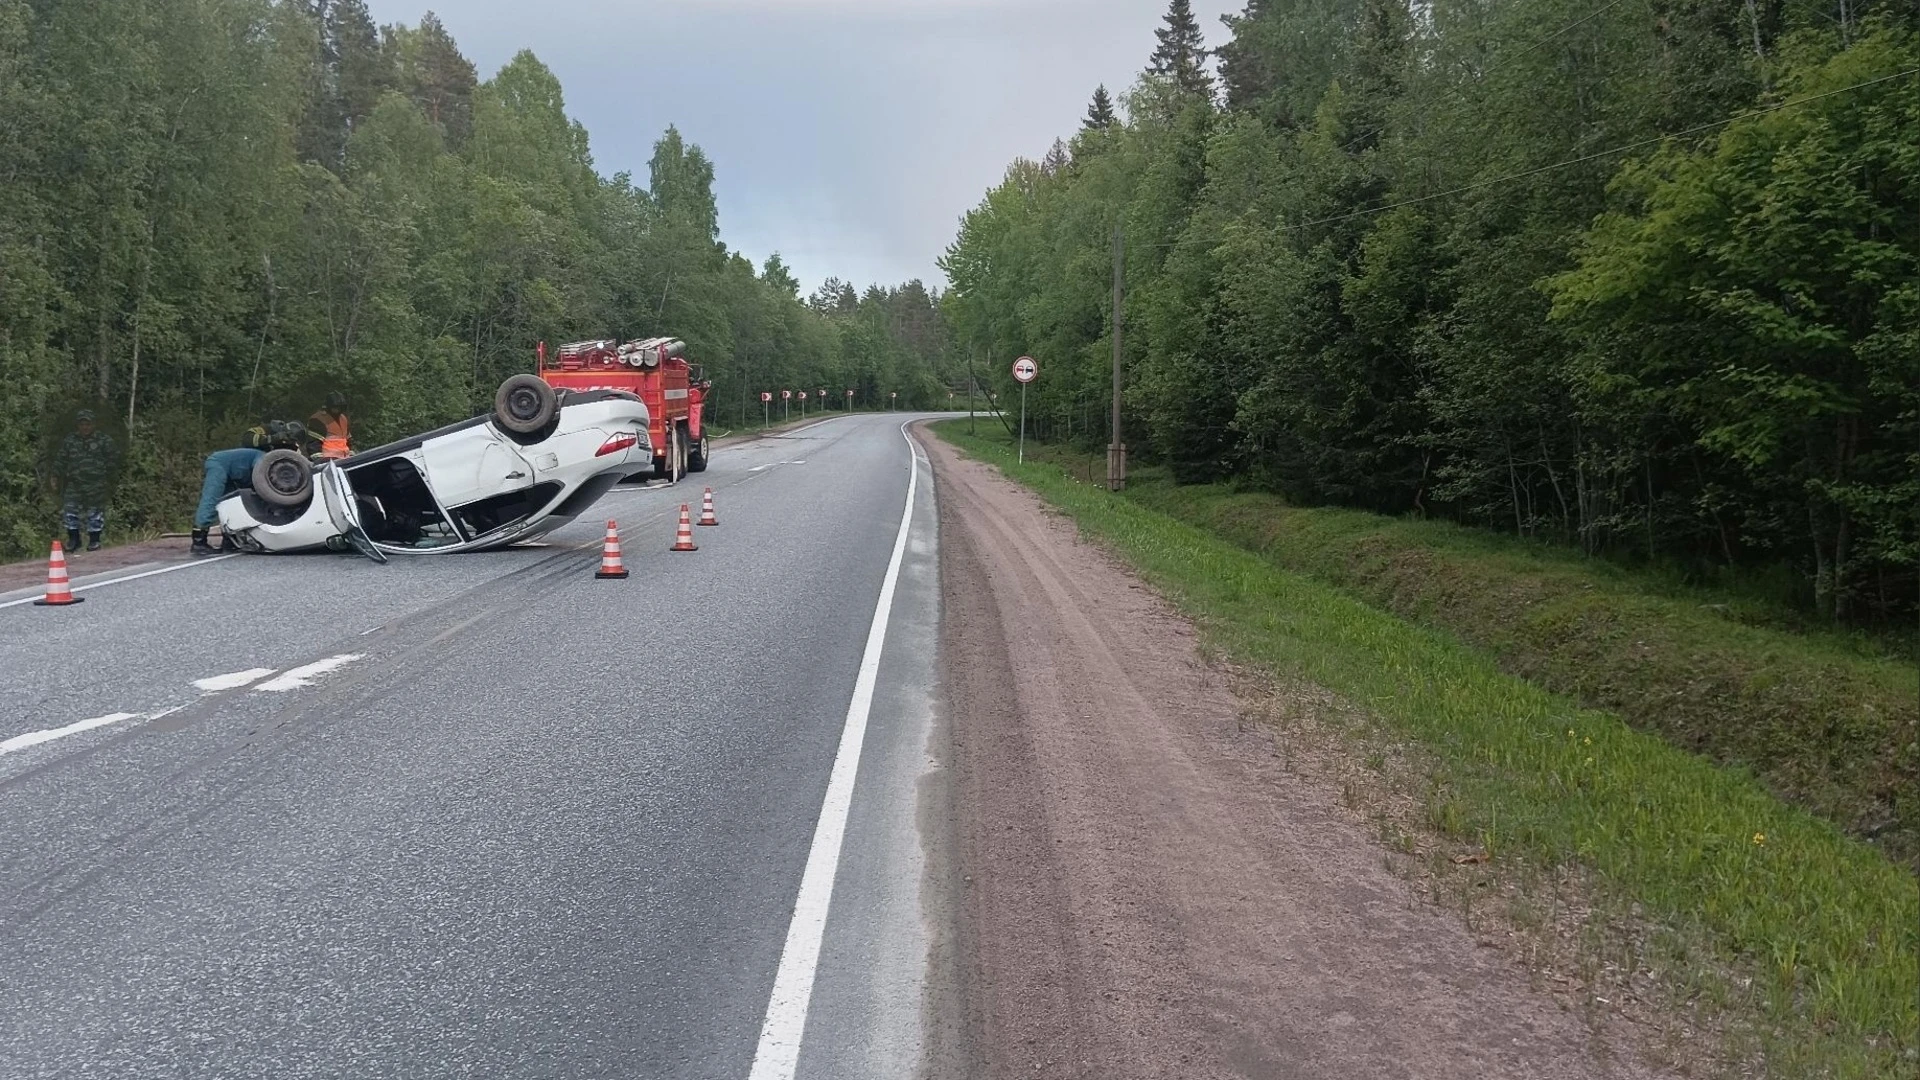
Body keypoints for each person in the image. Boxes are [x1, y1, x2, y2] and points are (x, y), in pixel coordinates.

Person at [193, 421, 305, 556]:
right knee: (211, 500)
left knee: (229, 505)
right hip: (219, 463)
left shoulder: (265, 455)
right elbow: (260, 476)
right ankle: (198, 542)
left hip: (231, 471)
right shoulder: (262, 457)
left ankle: (229, 542)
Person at [49, 409, 119, 552]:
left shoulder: (103, 441)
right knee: (70, 511)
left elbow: (113, 460)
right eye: (82, 424)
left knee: (94, 512)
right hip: (75, 483)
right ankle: (74, 540)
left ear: (93, 425)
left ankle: (94, 540)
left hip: (95, 483)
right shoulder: (70, 441)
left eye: (88, 424)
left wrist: (108, 477)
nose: (85, 427)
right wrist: (55, 476)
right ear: (78, 425)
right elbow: (61, 460)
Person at [308, 392, 351, 460]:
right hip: (328, 462)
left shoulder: (343, 419)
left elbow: (348, 441)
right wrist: (321, 461)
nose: (338, 409)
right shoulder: (318, 419)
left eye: (340, 407)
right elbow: (314, 445)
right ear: (329, 406)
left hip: (345, 459)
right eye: (335, 407)